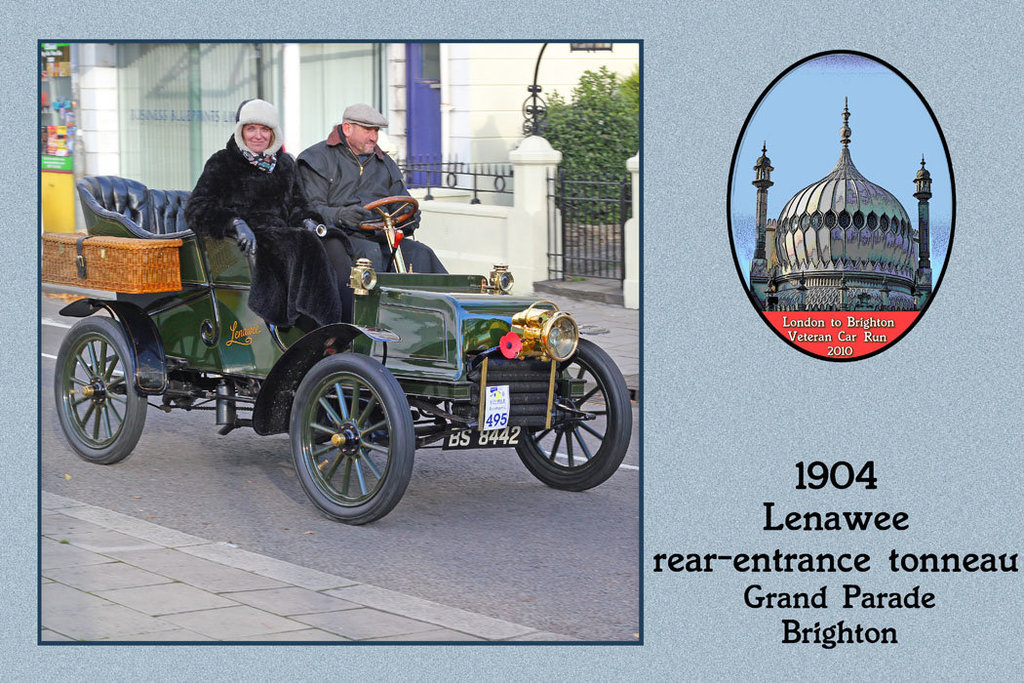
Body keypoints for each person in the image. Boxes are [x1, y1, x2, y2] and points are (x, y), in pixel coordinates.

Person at [185, 98, 348, 327]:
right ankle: (317, 325)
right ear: (241, 131)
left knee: (334, 242)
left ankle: (344, 324)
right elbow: (197, 209)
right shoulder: (222, 162)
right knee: (303, 243)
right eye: (251, 128)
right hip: (246, 240)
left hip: (282, 232)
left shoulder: (284, 164)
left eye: (265, 129)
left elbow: (298, 206)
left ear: (274, 133)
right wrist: (235, 223)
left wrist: (309, 221)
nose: (258, 136)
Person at [297, 103, 447, 274]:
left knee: (421, 254)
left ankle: (449, 299)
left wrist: (409, 217)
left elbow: (401, 202)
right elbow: (309, 209)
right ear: (347, 129)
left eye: (376, 131)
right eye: (367, 130)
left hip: (381, 238)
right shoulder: (317, 158)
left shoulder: (384, 163)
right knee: (369, 253)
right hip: (339, 239)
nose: (374, 137)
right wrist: (341, 215)